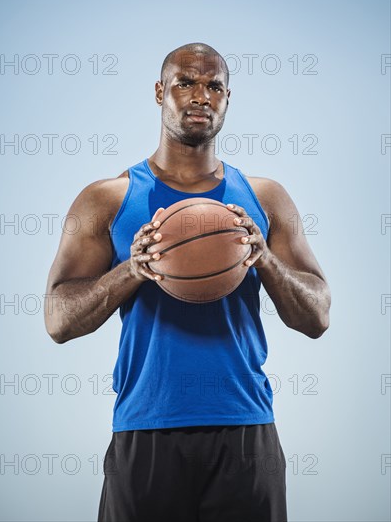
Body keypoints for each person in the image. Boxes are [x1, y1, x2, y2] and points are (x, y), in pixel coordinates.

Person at [44, 42, 331, 522]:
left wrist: (264, 260)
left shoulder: (264, 198)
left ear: (227, 99)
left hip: (246, 430)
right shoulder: (107, 199)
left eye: (214, 85)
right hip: (145, 430)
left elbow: (318, 315)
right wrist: (131, 269)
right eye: (186, 83)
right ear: (160, 92)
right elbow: (58, 319)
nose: (201, 95)